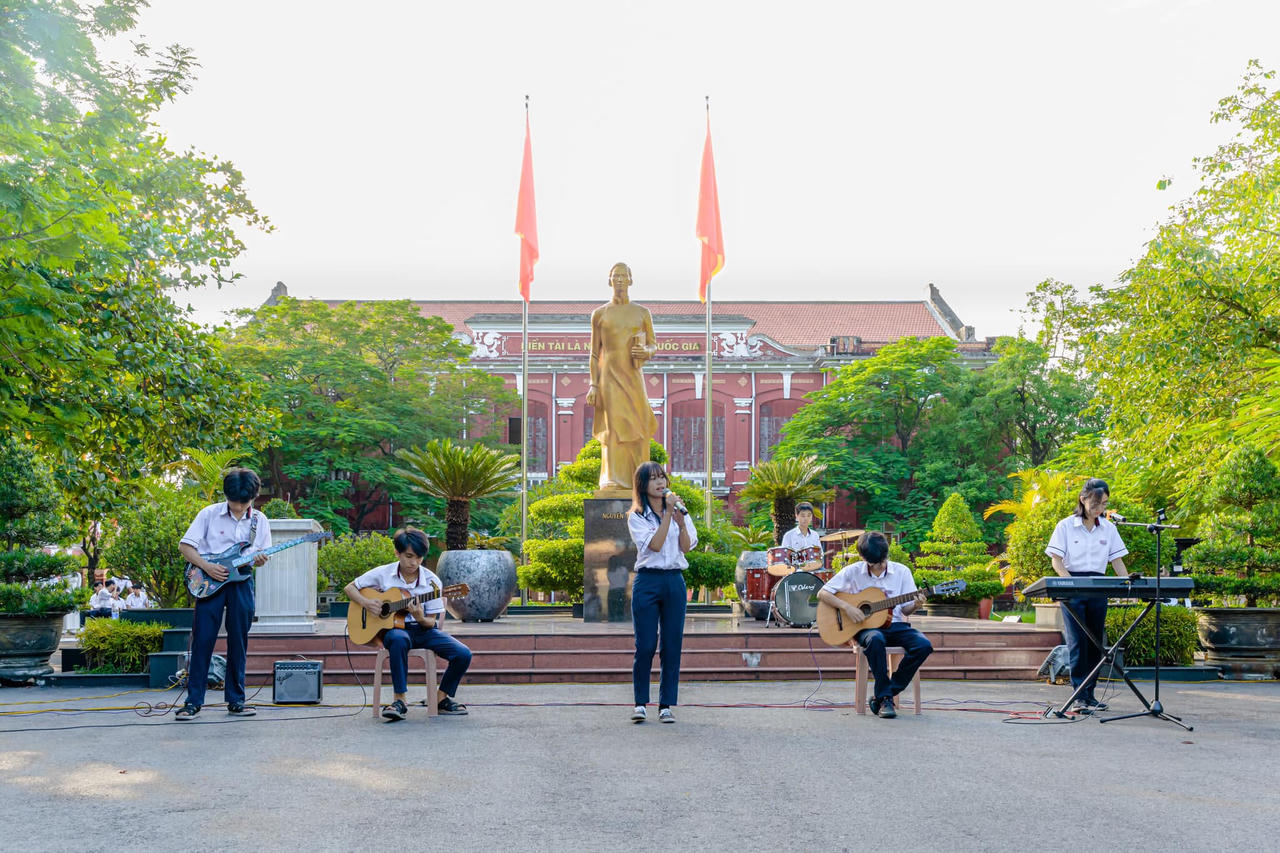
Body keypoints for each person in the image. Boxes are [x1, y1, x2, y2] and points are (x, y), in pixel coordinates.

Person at [344, 527, 472, 721]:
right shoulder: (383, 573)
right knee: (398, 638)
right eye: (409, 556)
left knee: (463, 654)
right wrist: (366, 603)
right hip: (394, 630)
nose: (414, 563)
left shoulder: (432, 582)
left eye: (419, 558)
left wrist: (420, 617)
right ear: (397, 553)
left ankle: (440, 698)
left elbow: (431, 622)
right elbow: (350, 588)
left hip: (423, 630)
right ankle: (399, 701)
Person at [175, 468, 271, 721]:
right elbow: (185, 546)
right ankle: (193, 702)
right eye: (233, 502)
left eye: (244, 503)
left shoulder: (259, 520)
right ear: (226, 495)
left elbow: (262, 554)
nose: (238, 508)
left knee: (239, 641)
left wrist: (260, 560)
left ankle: (236, 700)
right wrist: (207, 567)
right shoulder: (208, 514)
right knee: (203, 640)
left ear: (254, 497)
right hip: (209, 582)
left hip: (242, 582)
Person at [816, 531, 933, 719]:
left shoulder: (902, 572)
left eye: (882, 561)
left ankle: (884, 695)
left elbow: (905, 611)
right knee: (876, 639)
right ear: (864, 558)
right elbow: (822, 593)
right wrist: (847, 608)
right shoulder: (852, 571)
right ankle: (885, 699)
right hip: (865, 628)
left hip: (895, 625)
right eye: (874, 563)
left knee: (924, 645)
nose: (880, 566)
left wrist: (916, 604)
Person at [1045, 478, 1129, 714]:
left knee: (1095, 642)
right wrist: (1069, 583)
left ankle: (1090, 695)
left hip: (1099, 587)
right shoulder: (1065, 526)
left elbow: (1117, 560)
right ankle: (1078, 696)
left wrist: (1128, 584)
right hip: (1073, 586)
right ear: (1083, 499)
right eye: (1095, 503)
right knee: (1077, 643)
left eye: (1104, 504)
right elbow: (1056, 560)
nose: (1099, 509)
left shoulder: (1109, 529)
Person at [626, 461, 697, 724]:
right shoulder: (636, 516)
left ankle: (665, 705)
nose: (660, 483)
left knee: (672, 645)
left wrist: (680, 522)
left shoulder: (680, 511)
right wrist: (667, 515)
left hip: (674, 581)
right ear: (642, 485)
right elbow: (655, 545)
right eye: (653, 478)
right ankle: (640, 703)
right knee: (645, 645)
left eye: (662, 477)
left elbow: (686, 547)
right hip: (648, 581)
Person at [586, 262, 658, 494]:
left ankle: (640, 478)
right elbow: (594, 353)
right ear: (609, 280)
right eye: (615, 276)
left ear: (630, 280)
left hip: (633, 377)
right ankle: (612, 479)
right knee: (613, 428)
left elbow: (653, 345)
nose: (619, 279)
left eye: (623, 276)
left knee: (639, 424)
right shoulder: (600, 314)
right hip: (608, 378)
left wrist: (646, 351)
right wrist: (593, 385)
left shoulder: (642, 313)